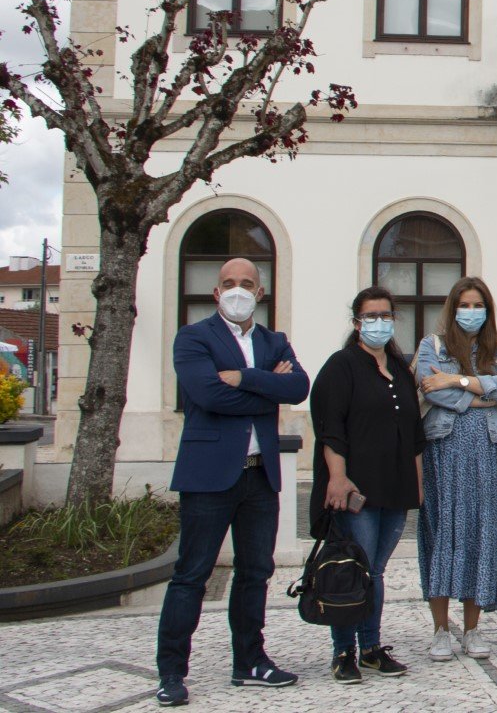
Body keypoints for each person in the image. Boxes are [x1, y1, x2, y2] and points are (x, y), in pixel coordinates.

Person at [156, 258, 310, 707]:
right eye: (228, 283)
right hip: (208, 476)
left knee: (255, 573)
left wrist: (244, 378)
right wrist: (266, 391)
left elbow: (297, 388)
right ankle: (171, 671)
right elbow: (205, 394)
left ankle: (250, 661)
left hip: (259, 476)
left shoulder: (273, 340)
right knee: (192, 575)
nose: (237, 290)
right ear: (215, 292)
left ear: (260, 293)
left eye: (246, 283)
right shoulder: (193, 338)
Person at [309, 286, 426, 683]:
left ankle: (372, 647)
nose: (379, 322)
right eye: (371, 316)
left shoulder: (399, 368)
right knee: (351, 569)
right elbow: (330, 429)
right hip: (355, 489)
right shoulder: (341, 366)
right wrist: (337, 478)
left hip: (395, 486)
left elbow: (413, 433)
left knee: (374, 570)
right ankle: (344, 652)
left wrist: (418, 483)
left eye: (386, 316)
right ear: (357, 322)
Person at [415, 277, 497, 662]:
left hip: (488, 455)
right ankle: (441, 629)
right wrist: (477, 395)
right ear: (453, 307)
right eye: (465, 304)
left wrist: (457, 380)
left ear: (488, 311)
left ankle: (473, 628)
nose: (471, 312)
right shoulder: (433, 346)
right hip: (444, 452)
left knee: (480, 534)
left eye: (479, 305)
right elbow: (431, 388)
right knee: (443, 533)